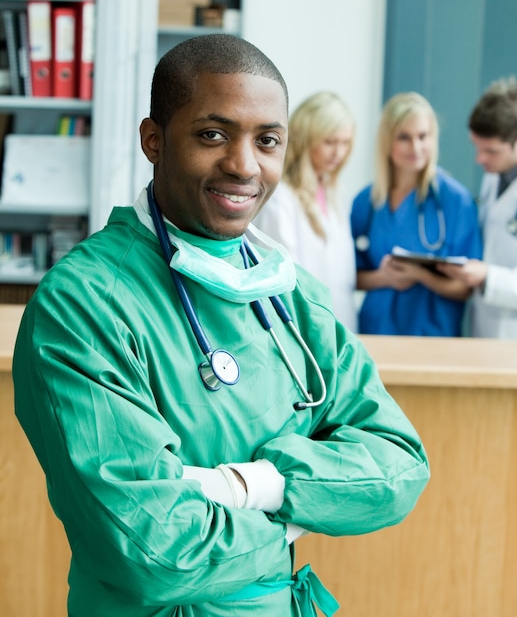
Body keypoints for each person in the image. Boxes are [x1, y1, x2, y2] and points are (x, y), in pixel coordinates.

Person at [13, 35, 429, 617]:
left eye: (267, 141)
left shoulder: (293, 296)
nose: (243, 165)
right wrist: (303, 512)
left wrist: (250, 487)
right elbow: (153, 553)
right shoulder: (85, 305)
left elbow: (399, 467)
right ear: (153, 140)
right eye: (212, 135)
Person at [350, 91, 482, 336]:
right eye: (404, 138)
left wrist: (420, 275)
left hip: (432, 336)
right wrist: (384, 278)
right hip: (375, 332)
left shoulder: (455, 201)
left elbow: (466, 288)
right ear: (387, 142)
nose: (416, 147)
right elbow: (346, 275)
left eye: (423, 136)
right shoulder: (366, 202)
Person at [438, 77, 517, 340]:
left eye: (491, 151)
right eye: (477, 147)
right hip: (485, 328)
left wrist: (488, 276)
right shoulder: (494, 175)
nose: (479, 159)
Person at [254, 91, 357, 331]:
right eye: (330, 142)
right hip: (301, 327)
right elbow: (283, 279)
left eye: (345, 143)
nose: (338, 153)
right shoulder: (281, 197)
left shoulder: (335, 192)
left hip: (339, 323)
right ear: (305, 139)